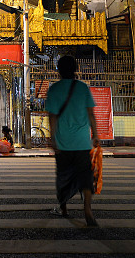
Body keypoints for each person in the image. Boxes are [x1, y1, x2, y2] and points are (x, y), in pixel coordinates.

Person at [46, 55, 100, 227]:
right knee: (85, 177)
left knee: (63, 177)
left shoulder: (54, 89)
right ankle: (88, 210)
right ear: (75, 69)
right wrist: (95, 134)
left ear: (59, 71)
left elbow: (52, 117)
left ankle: (63, 208)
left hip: (63, 143)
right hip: (82, 142)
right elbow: (91, 114)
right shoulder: (83, 88)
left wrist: (53, 139)